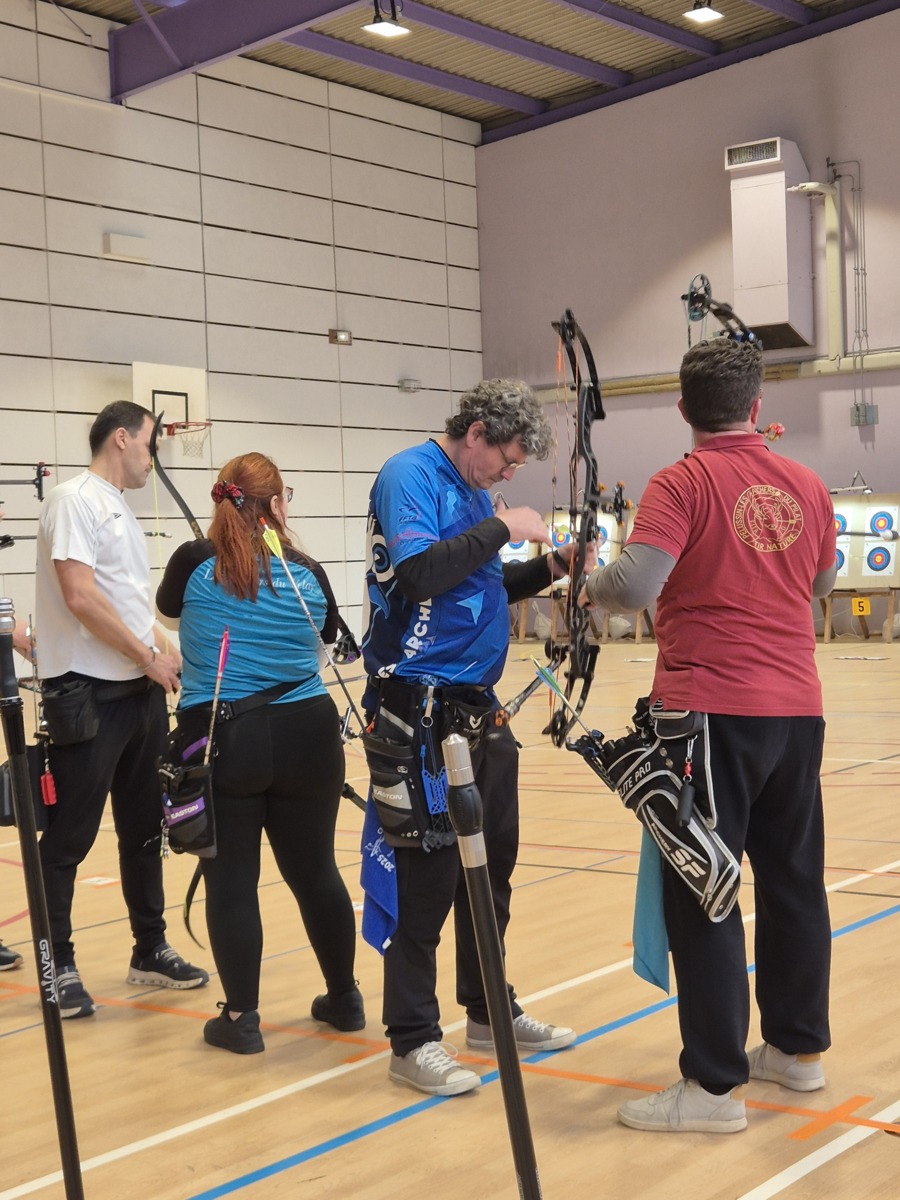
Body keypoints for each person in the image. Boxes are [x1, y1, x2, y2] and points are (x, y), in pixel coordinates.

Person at [580, 337, 836, 1133]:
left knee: (705, 885)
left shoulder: (682, 481)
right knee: (793, 880)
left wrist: (588, 582)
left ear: (684, 408)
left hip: (709, 715)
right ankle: (796, 1051)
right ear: (757, 407)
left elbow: (633, 587)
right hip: (797, 711)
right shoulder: (807, 483)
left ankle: (715, 1089)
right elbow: (822, 582)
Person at [361, 377, 581, 1097]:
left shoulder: (477, 495)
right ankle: (412, 1039)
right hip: (418, 708)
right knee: (426, 875)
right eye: (507, 459)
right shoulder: (411, 475)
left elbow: (478, 583)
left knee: (491, 871)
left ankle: (487, 1010)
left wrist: (550, 568)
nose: (508, 474)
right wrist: (506, 527)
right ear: (477, 433)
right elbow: (421, 574)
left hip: (476, 710)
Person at [157, 453, 363, 1054]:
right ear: (275, 504)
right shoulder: (306, 571)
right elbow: (335, 641)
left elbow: (167, 611)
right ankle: (344, 998)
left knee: (231, 881)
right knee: (316, 871)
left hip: (228, 739)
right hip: (309, 735)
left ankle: (241, 1019)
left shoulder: (192, 561)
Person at [35, 401, 208, 1019]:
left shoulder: (120, 510)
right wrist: (147, 656)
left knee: (144, 830)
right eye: (150, 444)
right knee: (68, 838)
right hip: (88, 697)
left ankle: (149, 949)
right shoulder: (73, 500)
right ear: (120, 439)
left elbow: (129, 607)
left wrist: (171, 653)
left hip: (139, 696)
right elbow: (79, 597)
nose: (152, 458)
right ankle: (58, 965)